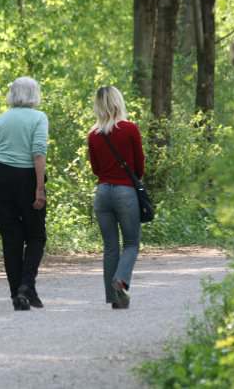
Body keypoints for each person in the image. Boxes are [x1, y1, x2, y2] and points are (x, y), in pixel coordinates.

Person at [0, 77, 48, 311]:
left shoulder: (2, 118)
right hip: (28, 177)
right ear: (34, 94)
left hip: (1, 177)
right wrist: (39, 189)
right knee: (36, 236)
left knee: (11, 238)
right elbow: (38, 153)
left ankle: (17, 294)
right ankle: (26, 286)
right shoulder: (39, 118)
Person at [87, 86, 145, 309]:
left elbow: (95, 168)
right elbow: (139, 166)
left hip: (102, 193)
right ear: (118, 102)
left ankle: (115, 300)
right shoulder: (130, 129)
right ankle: (120, 281)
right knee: (131, 243)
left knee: (110, 247)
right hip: (125, 192)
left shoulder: (93, 134)